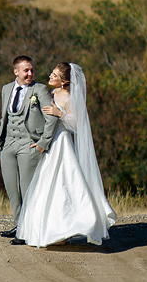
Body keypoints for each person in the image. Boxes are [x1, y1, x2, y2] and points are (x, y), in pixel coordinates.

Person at [13, 62, 116, 247]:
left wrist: (59, 113)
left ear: (64, 81)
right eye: (51, 73)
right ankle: (45, 230)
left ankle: (67, 229)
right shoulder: (50, 94)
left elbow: (77, 126)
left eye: (55, 75)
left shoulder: (69, 99)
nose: (50, 76)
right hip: (50, 142)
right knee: (45, 186)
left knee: (63, 185)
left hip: (62, 144)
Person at [0, 55, 57, 241]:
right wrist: (1, 141)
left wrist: (43, 143)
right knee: (12, 189)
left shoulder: (39, 89)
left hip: (29, 144)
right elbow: (3, 117)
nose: (30, 73)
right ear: (16, 72)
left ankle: (27, 231)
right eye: (26, 70)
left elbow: (51, 117)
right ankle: (19, 225)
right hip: (7, 145)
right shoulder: (6, 89)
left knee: (27, 190)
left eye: (32, 70)